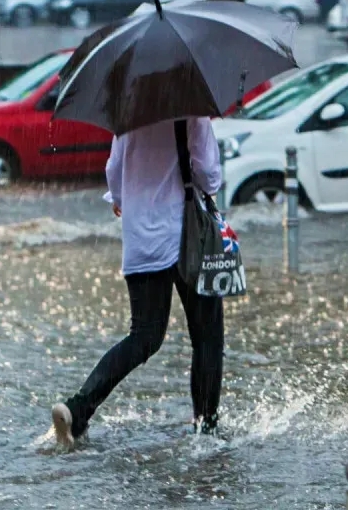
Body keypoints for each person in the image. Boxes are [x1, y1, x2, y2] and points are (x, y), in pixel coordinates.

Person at [51, 116, 224, 448]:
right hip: (187, 237)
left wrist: (124, 198)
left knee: (144, 336)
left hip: (141, 240)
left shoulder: (129, 113)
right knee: (207, 337)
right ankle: (206, 428)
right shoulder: (191, 110)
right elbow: (209, 175)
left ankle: (78, 408)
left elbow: (114, 175)